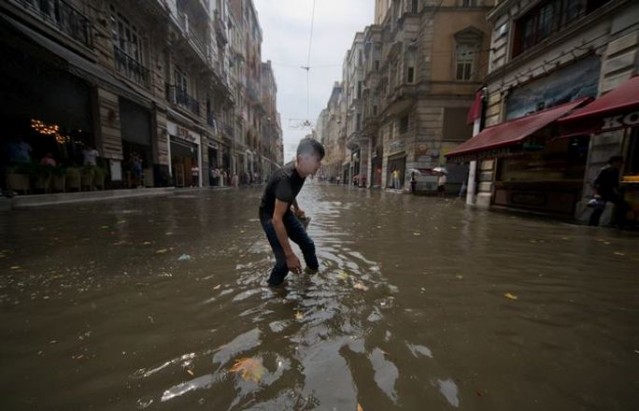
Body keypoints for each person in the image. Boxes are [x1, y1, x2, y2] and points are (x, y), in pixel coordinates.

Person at [258, 137, 325, 287]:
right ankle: (272, 292)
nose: (319, 165)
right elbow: (276, 220)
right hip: (270, 216)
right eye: (317, 160)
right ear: (302, 159)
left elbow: (288, 194)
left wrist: (296, 207)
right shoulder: (286, 178)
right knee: (283, 264)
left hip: (284, 212)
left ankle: (313, 277)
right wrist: (289, 255)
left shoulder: (302, 171)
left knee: (308, 245)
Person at [588, 155, 629, 228]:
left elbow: (615, 184)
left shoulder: (616, 171)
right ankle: (592, 224)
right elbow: (595, 182)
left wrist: (617, 191)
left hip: (610, 192)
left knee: (623, 205)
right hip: (602, 192)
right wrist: (596, 193)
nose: (620, 165)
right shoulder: (604, 170)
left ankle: (619, 223)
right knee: (599, 209)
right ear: (614, 162)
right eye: (619, 163)